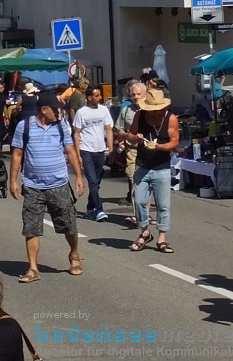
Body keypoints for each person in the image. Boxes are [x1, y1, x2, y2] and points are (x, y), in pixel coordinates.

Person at [9, 92, 85, 282]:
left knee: (69, 224)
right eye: (56, 110)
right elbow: (17, 154)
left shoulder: (61, 127)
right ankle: (33, 269)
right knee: (31, 228)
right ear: (44, 110)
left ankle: (74, 254)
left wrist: (78, 177)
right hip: (33, 186)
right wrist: (13, 181)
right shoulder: (24, 126)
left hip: (58, 185)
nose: (59, 113)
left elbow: (71, 151)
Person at [124, 85, 179, 254]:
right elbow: (129, 136)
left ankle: (162, 238)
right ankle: (144, 232)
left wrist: (160, 147)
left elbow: (175, 141)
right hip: (142, 164)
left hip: (161, 166)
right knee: (139, 201)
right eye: (152, 109)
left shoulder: (170, 118)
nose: (155, 113)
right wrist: (136, 137)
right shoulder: (140, 116)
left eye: (158, 109)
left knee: (163, 205)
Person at [72, 84, 113, 221]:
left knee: (97, 181)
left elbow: (108, 129)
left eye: (100, 95)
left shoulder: (104, 110)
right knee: (92, 181)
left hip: (100, 149)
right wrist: (78, 154)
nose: (100, 98)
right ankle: (99, 210)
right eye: (97, 96)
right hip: (86, 149)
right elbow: (76, 133)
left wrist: (111, 148)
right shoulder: (81, 112)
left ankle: (90, 207)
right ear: (89, 98)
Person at [114, 81, 144, 217]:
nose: (136, 97)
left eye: (138, 94)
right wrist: (127, 136)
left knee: (147, 185)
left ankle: (144, 213)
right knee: (134, 182)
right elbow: (117, 131)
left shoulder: (152, 110)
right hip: (133, 151)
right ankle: (137, 215)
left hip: (150, 151)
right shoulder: (126, 111)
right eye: (133, 95)